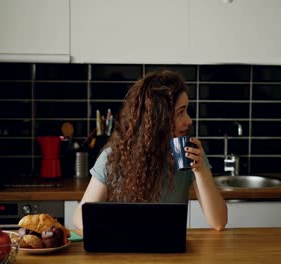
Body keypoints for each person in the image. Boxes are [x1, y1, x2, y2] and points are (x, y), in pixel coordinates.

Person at [73, 70, 227, 231]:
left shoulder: (191, 155)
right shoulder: (113, 156)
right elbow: (79, 218)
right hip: (123, 252)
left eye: (186, 111)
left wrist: (201, 171)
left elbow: (219, 222)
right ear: (157, 119)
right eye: (180, 113)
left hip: (172, 252)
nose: (189, 121)